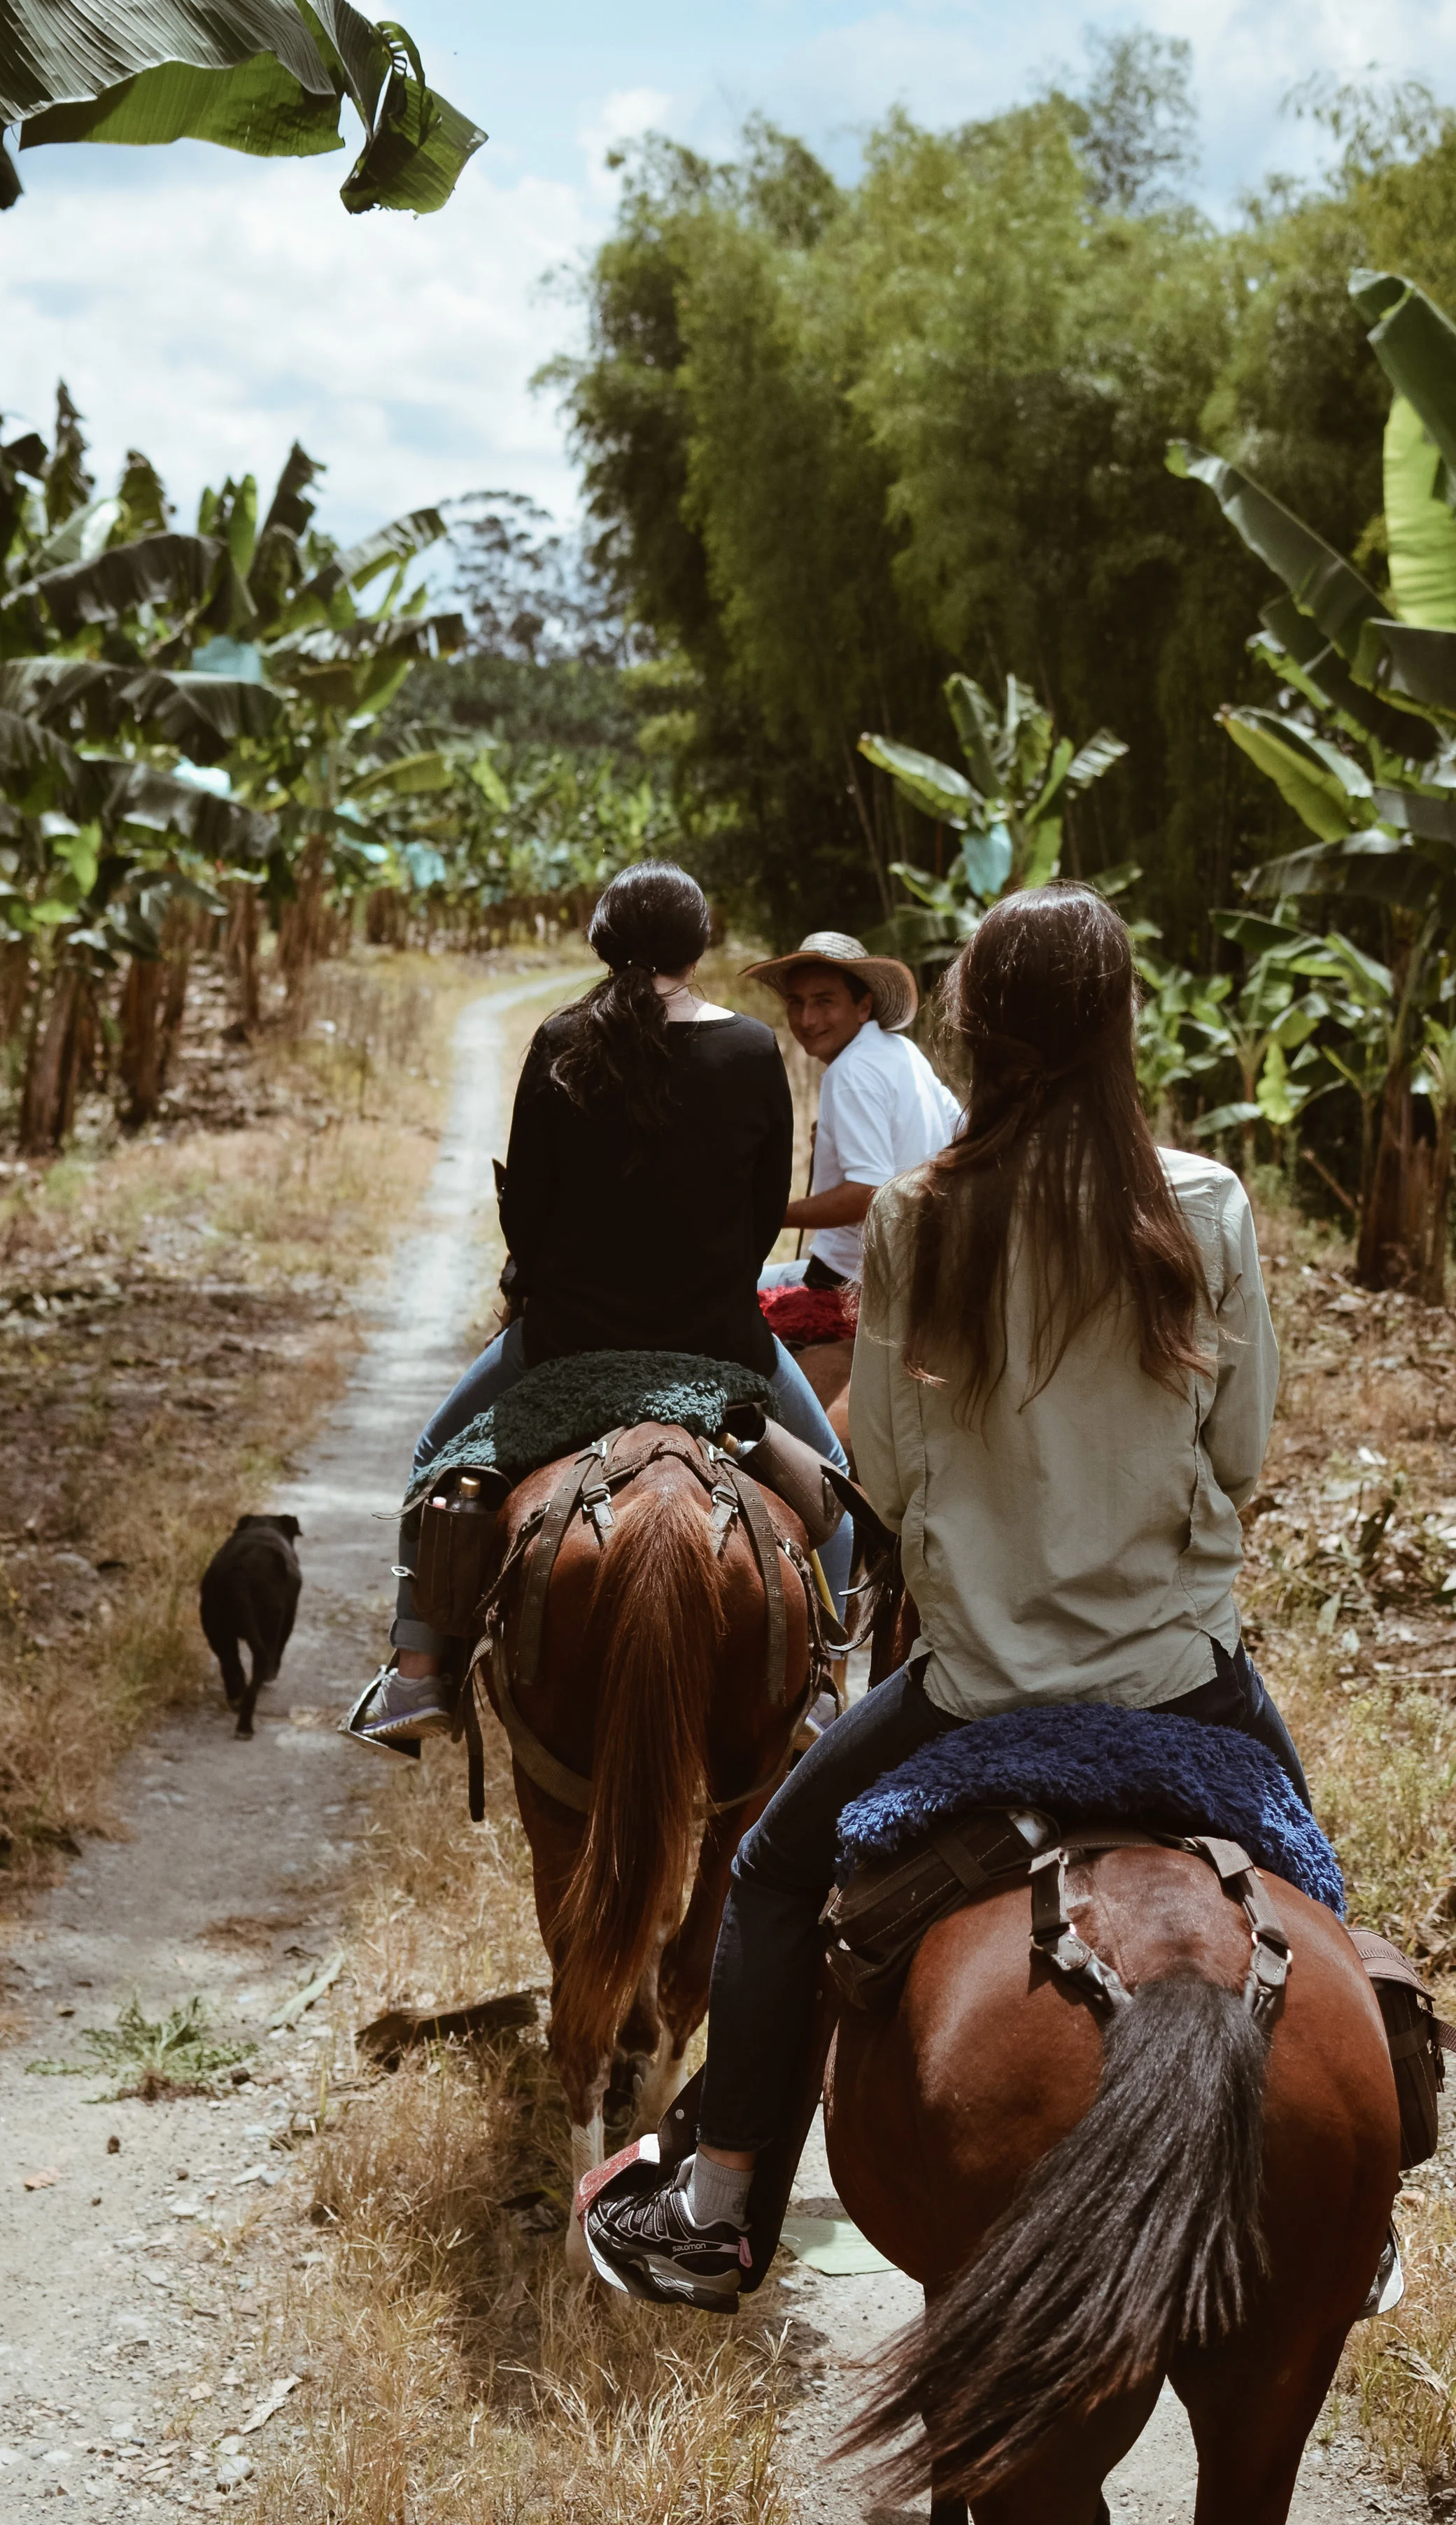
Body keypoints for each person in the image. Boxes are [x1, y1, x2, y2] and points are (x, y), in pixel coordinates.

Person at [582, 880, 1303, 2310]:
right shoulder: (1205, 1203)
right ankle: (1366, 2196)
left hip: (973, 1690)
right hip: (1176, 1678)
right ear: (1118, 1025)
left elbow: (890, 1486)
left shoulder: (918, 1215)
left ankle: (720, 2198)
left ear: (974, 1029)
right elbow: (1240, 1452)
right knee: (1324, 1893)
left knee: (772, 1874)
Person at [355, 862, 857, 1747]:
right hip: (717, 1343)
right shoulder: (750, 1050)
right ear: (698, 949)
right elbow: (760, 1216)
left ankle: (419, 1673)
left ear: (601, 943)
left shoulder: (559, 1041)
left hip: (565, 1342)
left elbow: (527, 1216)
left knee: (437, 1456)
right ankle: (825, 1684)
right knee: (835, 1500)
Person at [742, 930, 960, 1289]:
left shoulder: (849, 1072)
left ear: (864, 1007)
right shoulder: (903, 1051)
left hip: (852, 1277)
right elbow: (958, 1132)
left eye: (824, 1001)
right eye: (796, 1002)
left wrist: (767, 1214)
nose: (808, 1020)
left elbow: (868, 1192)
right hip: (913, 1267)